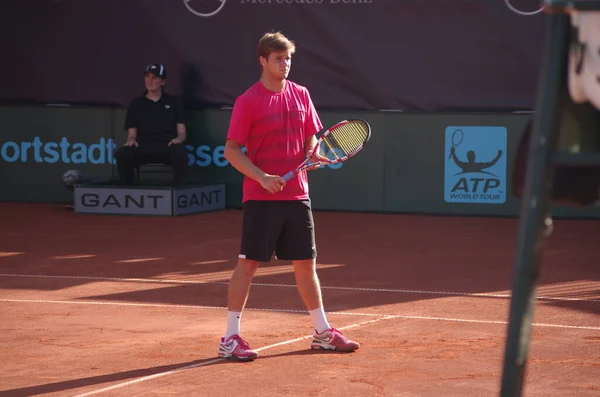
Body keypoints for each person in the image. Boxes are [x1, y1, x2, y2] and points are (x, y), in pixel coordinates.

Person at [219, 31, 360, 361]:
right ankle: (230, 336)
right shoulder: (248, 101)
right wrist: (262, 177)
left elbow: (312, 138)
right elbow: (231, 151)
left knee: (306, 264)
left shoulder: (301, 94)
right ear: (263, 61)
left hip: (297, 197)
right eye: (279, 59)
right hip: (260, 197)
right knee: (248, 264)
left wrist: (312, 156)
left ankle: (322, 332)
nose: (285, 64)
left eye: (289, 58)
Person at [115, 64, 188, 186]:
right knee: (122, 154)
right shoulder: (136, 104)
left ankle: (178, 192)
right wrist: (131, 140)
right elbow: (131, 134)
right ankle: (128, 190)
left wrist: (178, 139)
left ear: (163, 81)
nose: (150, 81)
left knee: (180, 151)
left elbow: (182, 134)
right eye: (148, 77)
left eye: (154, 77)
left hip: (167, 147)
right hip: (143, 147)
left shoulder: (174, 103)